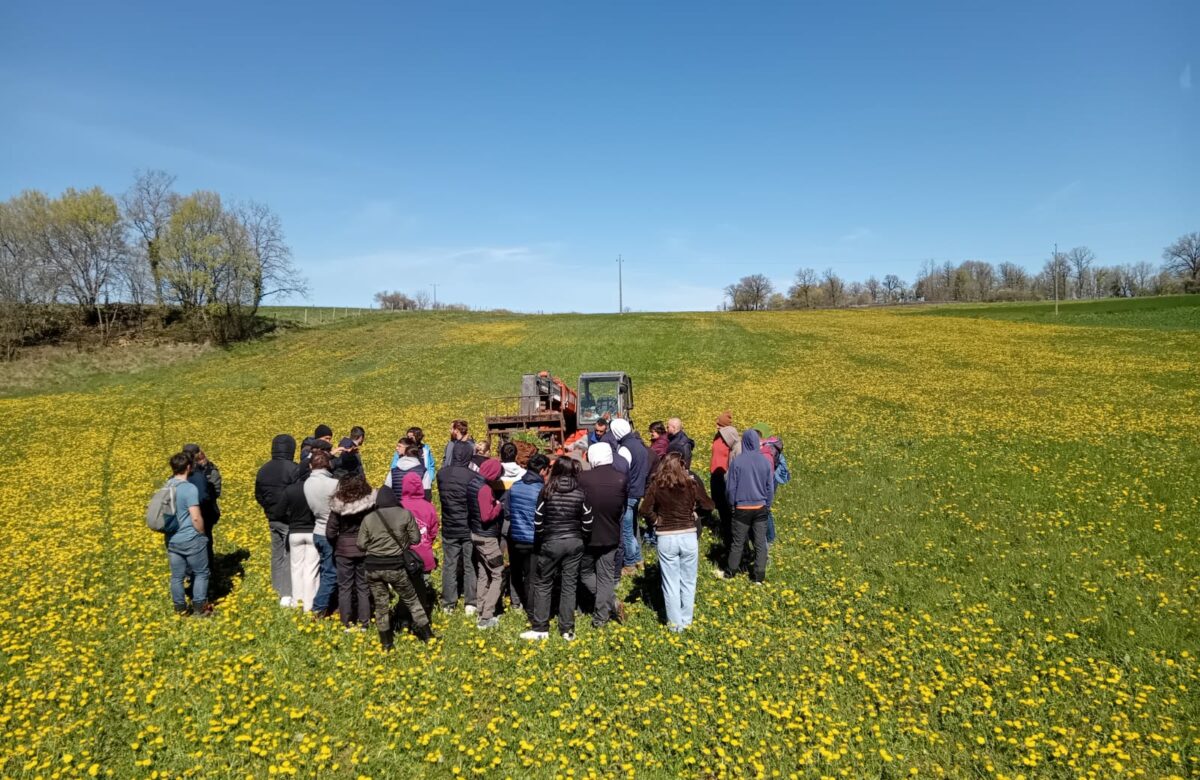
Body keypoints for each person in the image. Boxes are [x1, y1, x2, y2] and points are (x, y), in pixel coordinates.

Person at [521, 459, 593, 641]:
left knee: (543, 583)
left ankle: (540, 627)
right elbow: (588, 521)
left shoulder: (546, 491)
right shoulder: (581, 492)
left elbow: (537, 520)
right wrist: (582, 537)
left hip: (551, 541)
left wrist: (542, 537)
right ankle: (567, 629)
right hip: (574, 542)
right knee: (569, 585)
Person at [641, 453, 714, 631]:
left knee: (670, 582)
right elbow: (709, 505)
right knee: (688, 581)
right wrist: (695, 514)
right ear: (681, 465)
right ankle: (686, 620)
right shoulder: (691, 483)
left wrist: (656, 520)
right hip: (688, 534)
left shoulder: (657, 484)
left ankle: (675, 626)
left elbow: (644, 509)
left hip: (666, 536)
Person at [358, 483, 434, 647]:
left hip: (373, 568)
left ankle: (386, 643)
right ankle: (428, 636)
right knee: (412, 600)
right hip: (396, 567)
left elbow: (361, 544)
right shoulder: (404, 514)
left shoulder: (368, 518)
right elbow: (416, 539)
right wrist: (401, 543)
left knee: (381, 605)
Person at [577, 443, 628, 628]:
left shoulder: (582, 478)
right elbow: (622, 505)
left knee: (584, 572)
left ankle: (610, 602)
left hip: (587, 534)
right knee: (606, 577)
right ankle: (601, 617)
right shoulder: (621, 478)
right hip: (611, 533)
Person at [255, 434, 305, 607]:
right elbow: (298, 493)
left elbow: (258, 495)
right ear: (291, 449)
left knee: (276, 554)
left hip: (272, 518)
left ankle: (276, 589)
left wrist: (269, 510)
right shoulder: (294, 469)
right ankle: (286, 593)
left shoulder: (263, 469)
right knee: (290, 554)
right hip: (289, 519)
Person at [719, 429, 775, 584]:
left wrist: (732, 504)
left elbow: (730, 488)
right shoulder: (764, 461)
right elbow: (769, 487)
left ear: (744, 442)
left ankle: (731, 573)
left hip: (742, 509)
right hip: (760, 507)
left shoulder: (738, 461)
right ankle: (759, 577)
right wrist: (767, 504)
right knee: (760, 543)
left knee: (737, 542)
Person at [163, 452, 211, 617]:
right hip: (191, 538)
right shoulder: (190, 488)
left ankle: (180, 608)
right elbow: (196, 517)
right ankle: (199, 608)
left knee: (177, 576)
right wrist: (203, 534)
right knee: (201, 573)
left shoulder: (167, 485)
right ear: (189, 467)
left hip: (172, 539)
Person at [326, 473, 376, 630]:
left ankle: (346, 623)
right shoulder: (370, 504)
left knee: (345, 587)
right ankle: (364, 622)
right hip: (364, 549)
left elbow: (330, 532)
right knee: (363, 586)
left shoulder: (338, 505)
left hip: (343, 550)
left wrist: (337, 543)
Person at [504, 453, 548, 621]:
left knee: (515, 571)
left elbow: (507, 512)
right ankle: (532, 612)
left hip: (515, 537)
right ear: (542, 471)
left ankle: (516, 602)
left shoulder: (514, 486)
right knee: (531, 577)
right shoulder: (541, 490)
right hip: (533, 539)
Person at [436, 440, 478, 614]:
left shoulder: (441, 474)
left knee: (449, 564)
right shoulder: (472, 476)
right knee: (470, 564)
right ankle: (471, 602)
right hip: (468, 526)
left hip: (449, 525)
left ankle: (448, 602)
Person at [608, 418, 649, 575]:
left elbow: (622, 472)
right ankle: (639, 559)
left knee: (626, 530)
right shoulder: (639, 445)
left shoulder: (625, 449)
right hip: (638, 491)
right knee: (633, 527)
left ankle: (630, 564)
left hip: (629, 492)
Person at [468, 458, 506, 629]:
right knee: (498, 573)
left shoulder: (473, 483)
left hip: (475, 534)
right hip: (487, 538)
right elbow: (486, 516)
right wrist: (498, 506)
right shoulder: (484, 489)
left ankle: (481, 608)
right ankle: (487, 616)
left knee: (483, 572)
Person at [399, 471, 439, 619]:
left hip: (405, 556)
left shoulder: (400, 506)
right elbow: (434, 530)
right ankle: (422, 618)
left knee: (405, 589)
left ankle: (404, 618)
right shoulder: (429, 507)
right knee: (422, 586)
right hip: (424, 555)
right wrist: (427, 541)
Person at [303, 449, 339, 617]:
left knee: (325, 569)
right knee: (331, 572)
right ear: (328, 465)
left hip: (317, 530)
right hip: (330, 532)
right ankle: (319, 608)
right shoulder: (333, 484)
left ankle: (329, 604)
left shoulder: (307, 483)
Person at [182, 443, 221, 566]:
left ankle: (203, 569)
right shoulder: (182, 470)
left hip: (202, 513)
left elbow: (215, 492)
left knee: (203, 541)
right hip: (199, 513)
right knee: (203, 541)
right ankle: (203, 569)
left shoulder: (209, 470)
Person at [286, 465, 319, 611]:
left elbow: (280, 510)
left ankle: (297, 602)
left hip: (294, 532)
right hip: (312, 531)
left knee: (296, 568)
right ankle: (309, 605)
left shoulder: (291, 489)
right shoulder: (314, 488)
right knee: (311, 570)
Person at [710, 412, 741, 550]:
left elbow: (736, 453)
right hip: (715, 475)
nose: (716, 425)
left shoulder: (730, 436)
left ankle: (731, 536)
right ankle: (725, 529)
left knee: (727, 507)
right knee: (719, 504)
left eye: (719, 423)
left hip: (725, 476)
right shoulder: (718, 436)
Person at [407, 427, 436, 500]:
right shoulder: (404, 448)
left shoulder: (425, 449)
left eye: (411, 437)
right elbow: (394, 465)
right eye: (407, 437)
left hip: (424, 484)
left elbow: (431, 465)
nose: (409, 439)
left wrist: (430, 477)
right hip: (409, 485)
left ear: (418, 437)